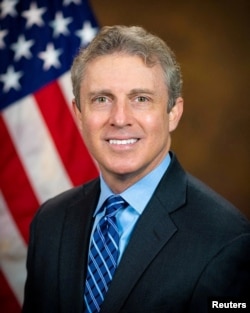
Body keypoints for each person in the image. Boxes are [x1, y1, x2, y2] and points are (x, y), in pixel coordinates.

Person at [22, 25, 250, 313]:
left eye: (140, 99)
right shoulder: (50, 222)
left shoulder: (226, 239)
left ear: (173, 113)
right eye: (101, 99)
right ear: (79, 114)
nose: (120, 119)